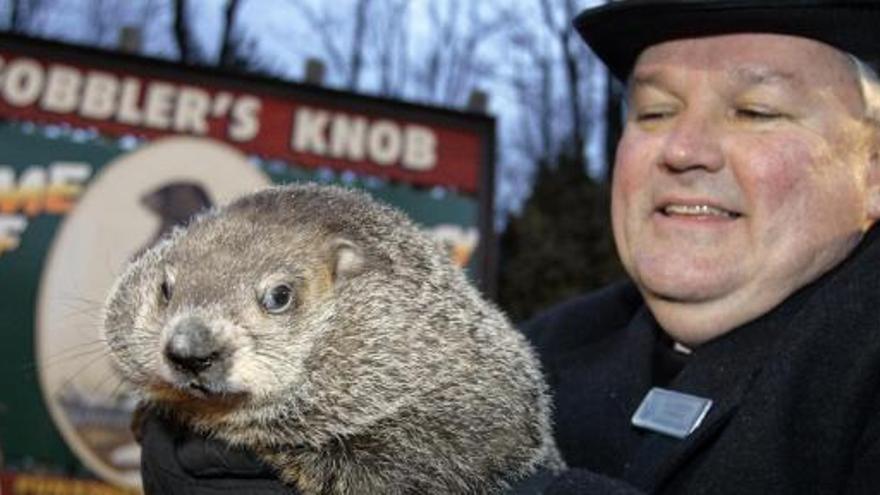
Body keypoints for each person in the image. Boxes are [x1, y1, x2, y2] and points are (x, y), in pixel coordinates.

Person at [135, 0, 880, 493]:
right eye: (653, 109)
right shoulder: (549, 342)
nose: (682, 147)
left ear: (872, 168)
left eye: (755, 109)